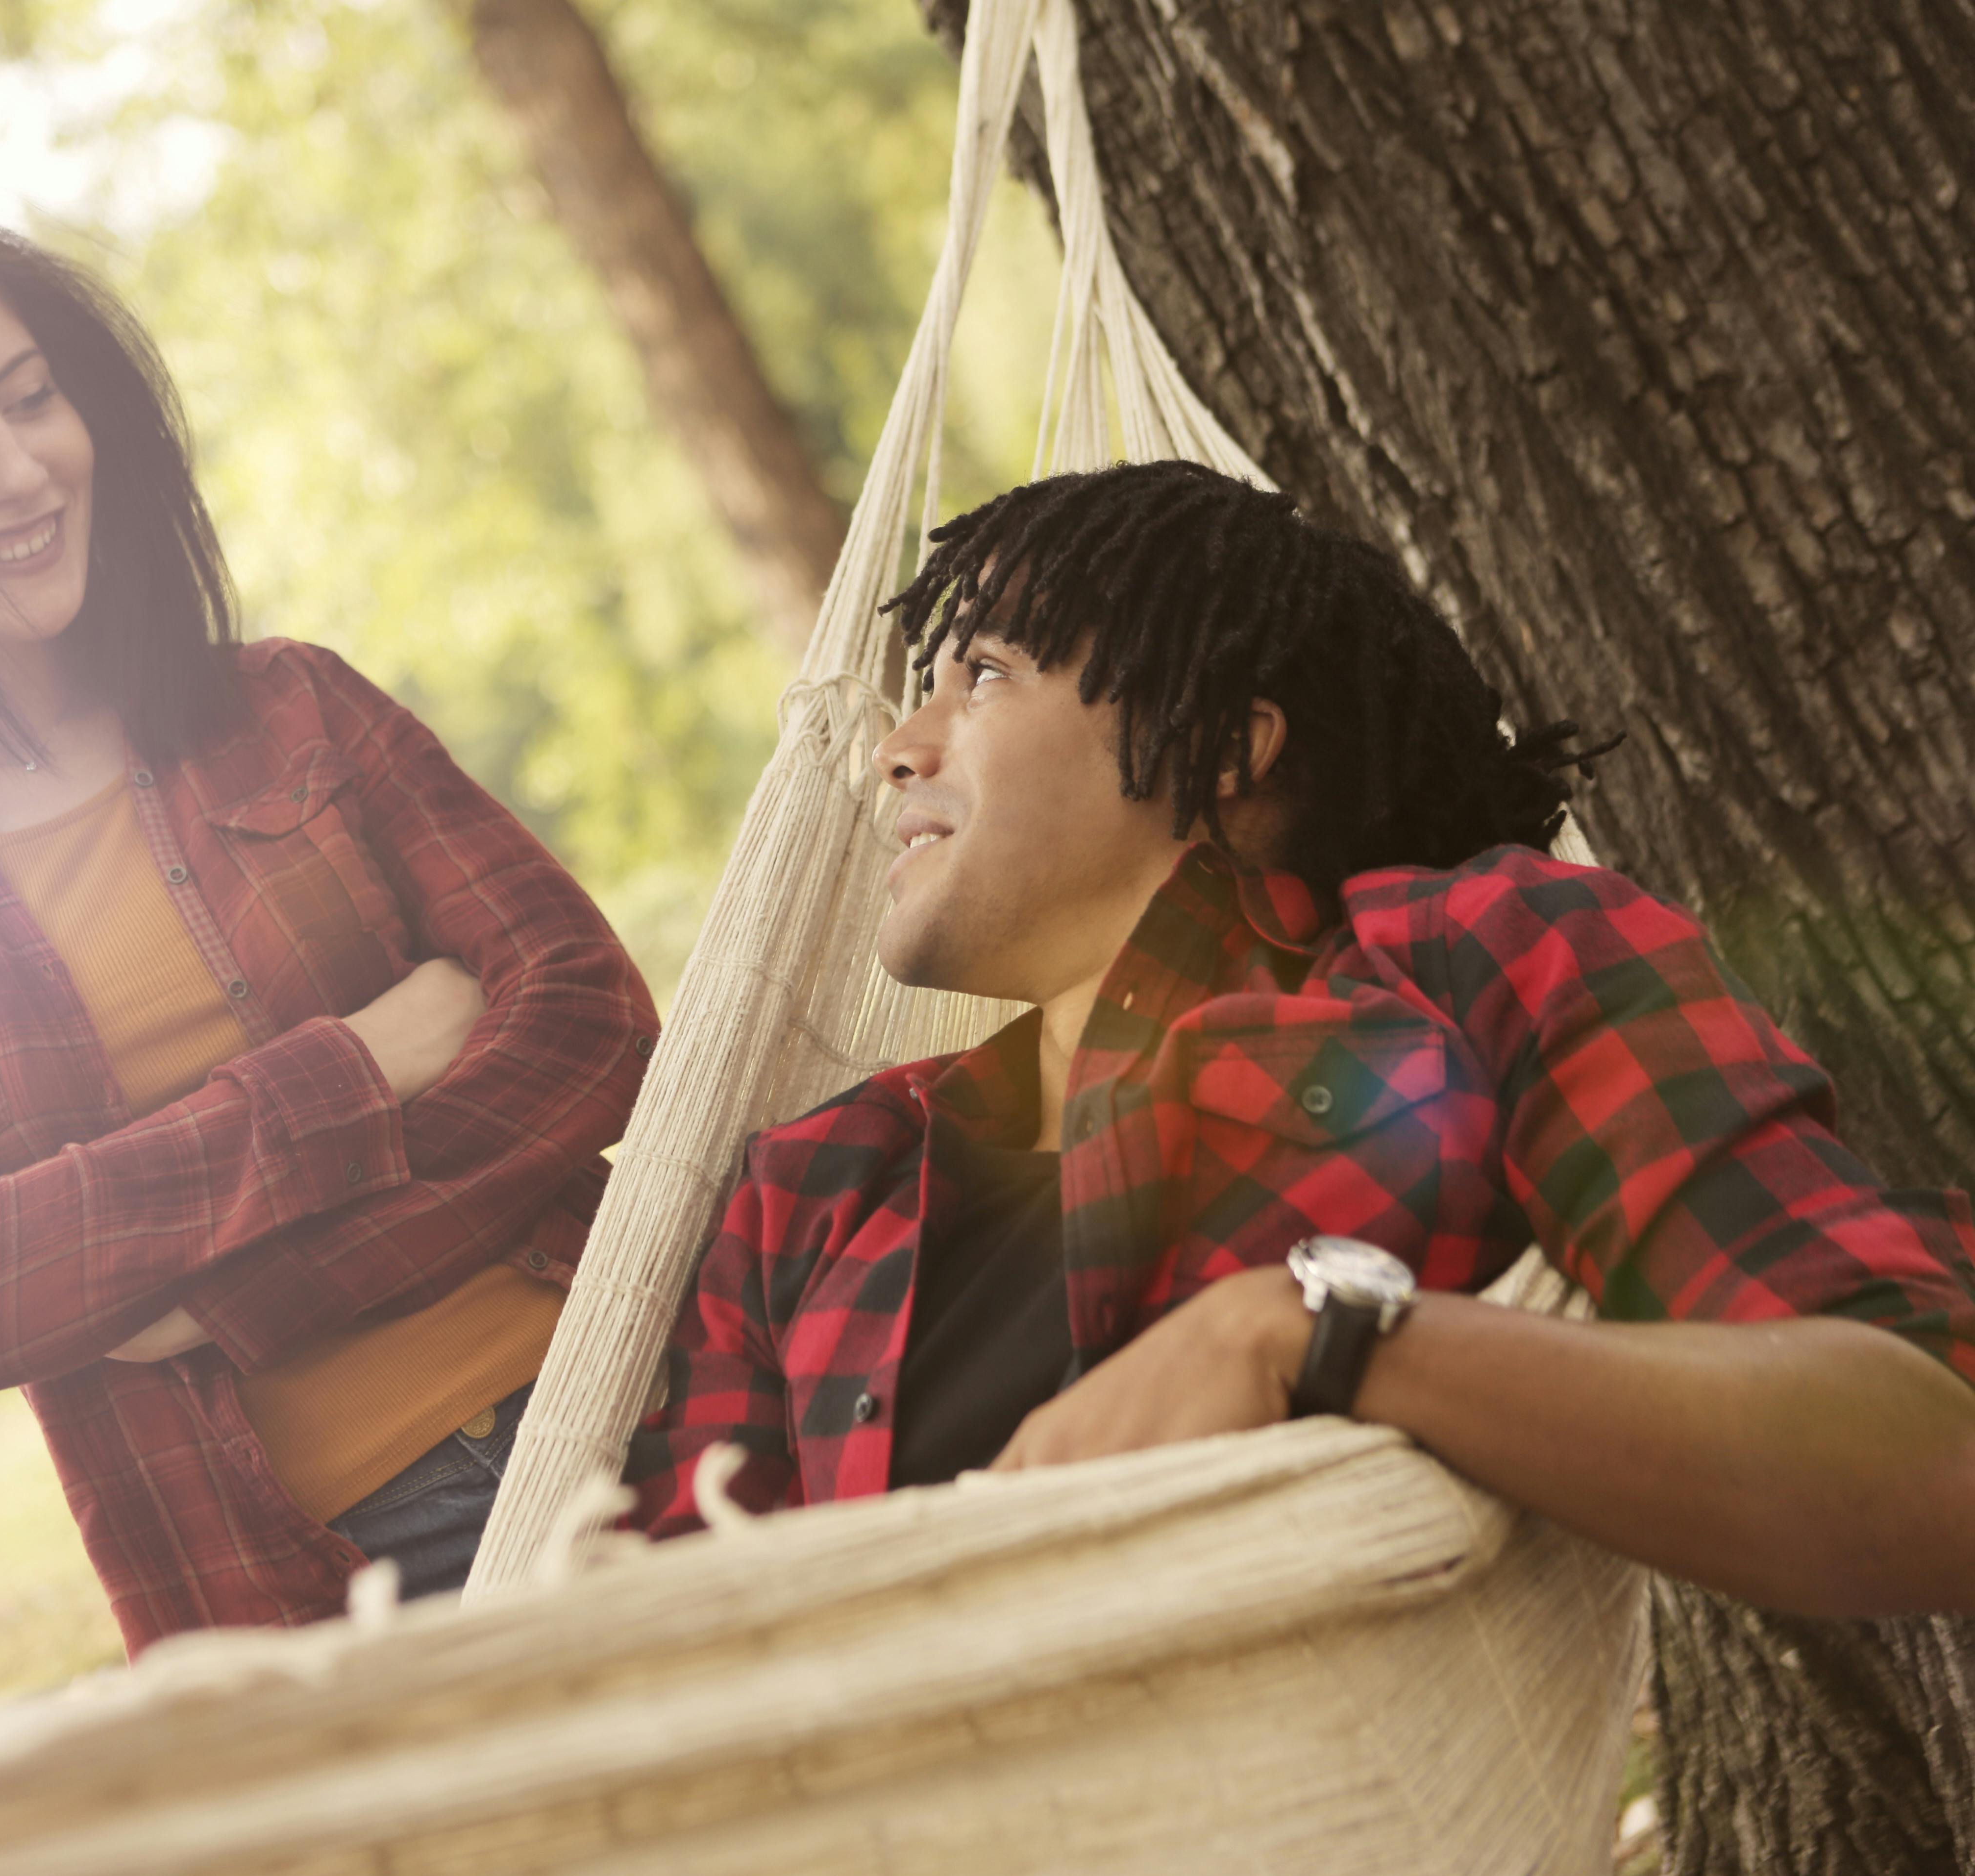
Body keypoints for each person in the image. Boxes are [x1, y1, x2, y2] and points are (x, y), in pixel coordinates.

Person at [625, 460, 1975, 1615]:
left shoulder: (1475, 960)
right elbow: (668, 1673)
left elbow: (1927, 1455)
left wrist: (1313, 1334)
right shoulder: (810, 1188)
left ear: (1224, 748)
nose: (898, 749)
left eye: (982, 671)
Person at [0, 172, 655, 1654]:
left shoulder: (288, 706)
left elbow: (594, 1029)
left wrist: (206, 1299)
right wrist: (367, 1062)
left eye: (29, 397)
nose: (16, 469)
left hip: (640, 1387)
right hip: (331, 1601)